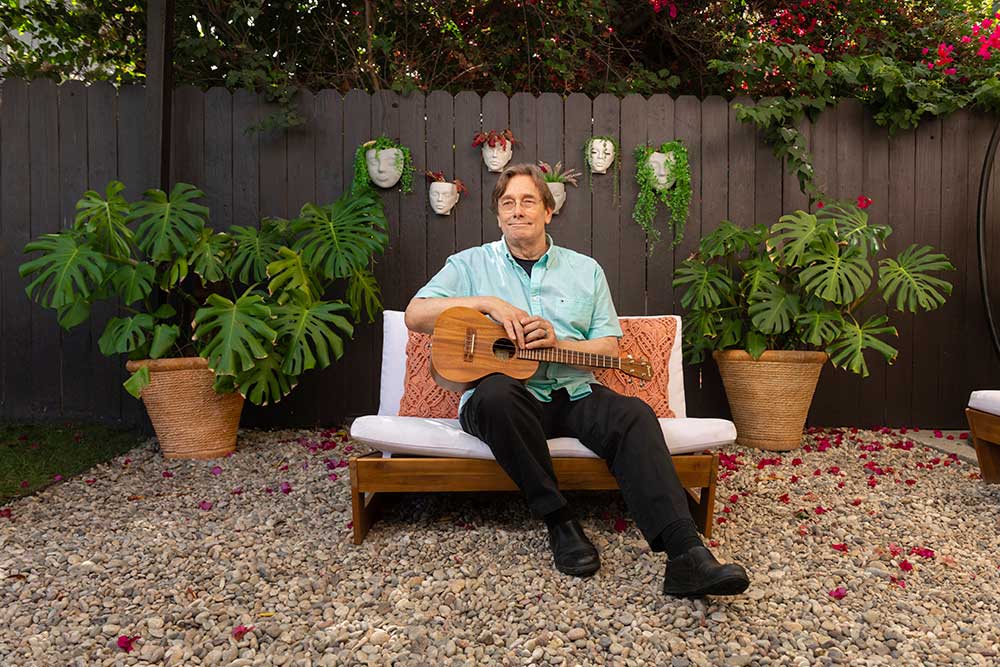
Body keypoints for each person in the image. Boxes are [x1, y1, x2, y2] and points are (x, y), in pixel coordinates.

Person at [403, 164, 749, 597]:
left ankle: (686, 555)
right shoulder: (469, 265)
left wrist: (558, 340)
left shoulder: (586, 270)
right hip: (506, 403)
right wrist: (490, 304)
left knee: (633, 415)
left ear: (548, 211)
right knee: (495, 395)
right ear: (497, 216)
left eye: (528, 201)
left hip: (573, 392)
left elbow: (607, 350)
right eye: (507, 203)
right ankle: (560, 520)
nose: (517, 211)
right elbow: (416, 315)